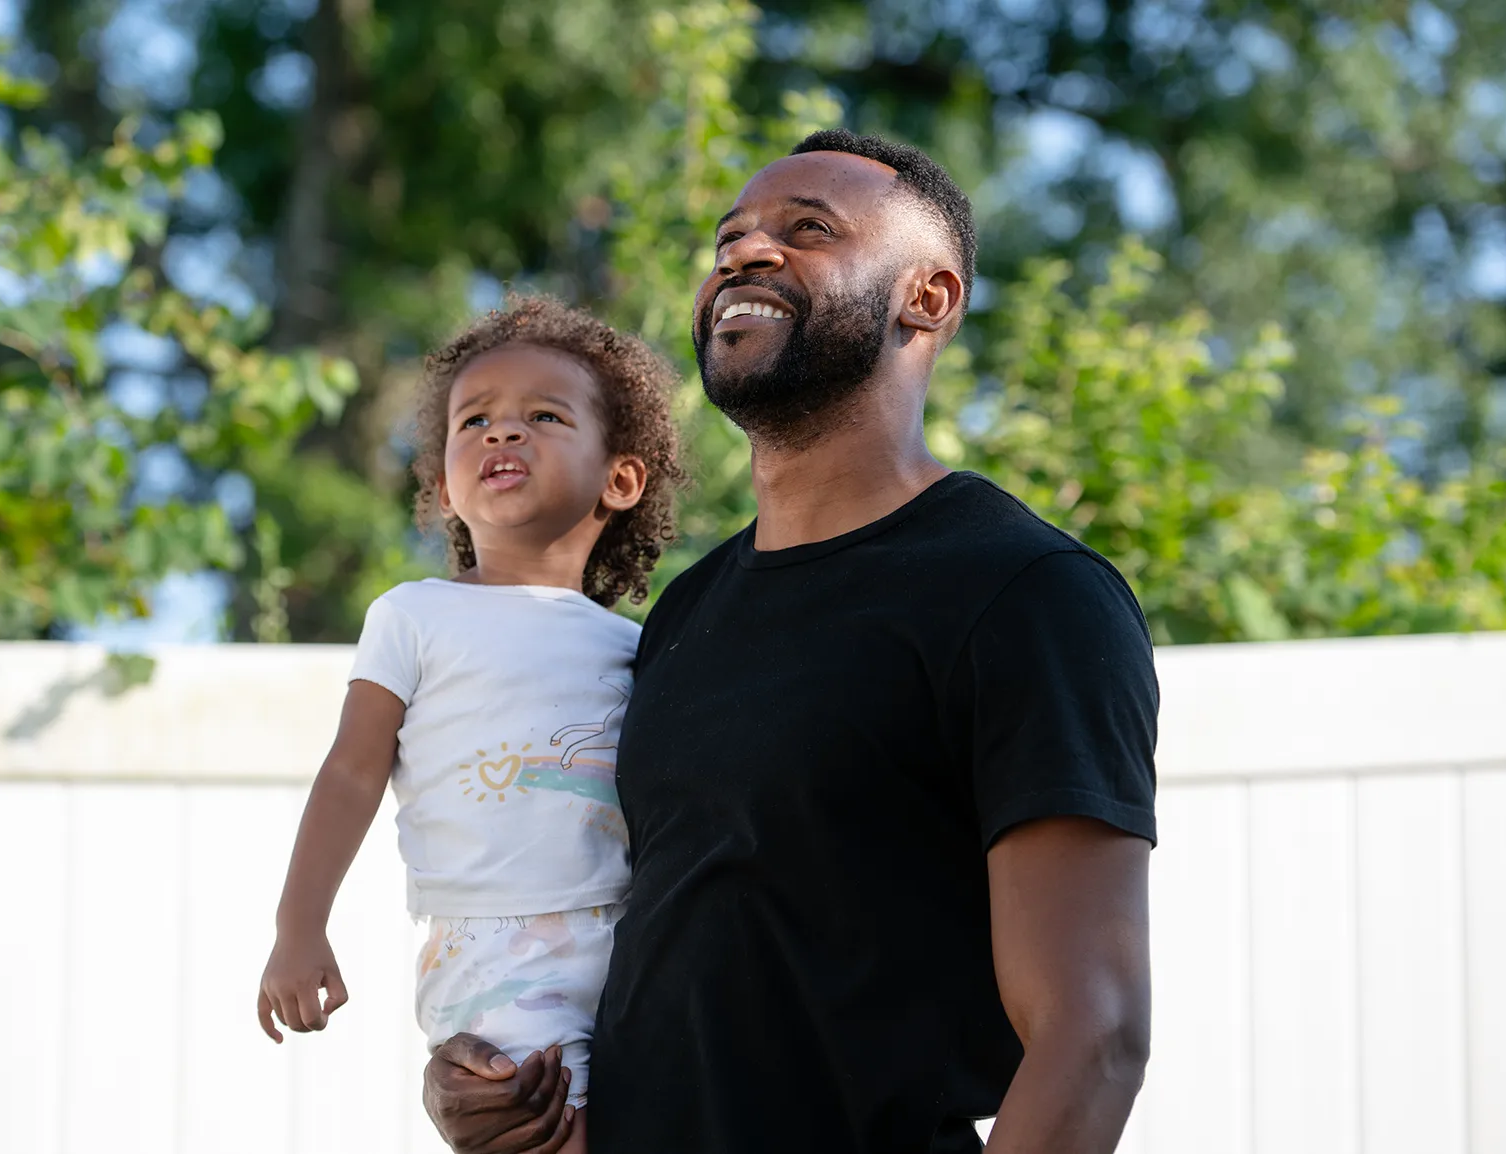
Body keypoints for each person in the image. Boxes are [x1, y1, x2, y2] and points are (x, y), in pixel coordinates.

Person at [420, 130, 1159, 1154]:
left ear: (929, 299)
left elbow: (1096, 1035)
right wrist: (502, 1085)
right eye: (729, 240)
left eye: (806, 230)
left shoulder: (1024, 593)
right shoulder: (684, 612)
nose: (746, 254)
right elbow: (635, 953)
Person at [257, 296, 684, 1154]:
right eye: (475, 420)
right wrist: (297, 930)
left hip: (631, 936)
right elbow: (349, 773)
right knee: (544, 1130)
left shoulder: (643, 646)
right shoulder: (413, 617)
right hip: (496, 945)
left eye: (544, 416)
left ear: (621, 479)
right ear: (442, 486)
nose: (501, 433)